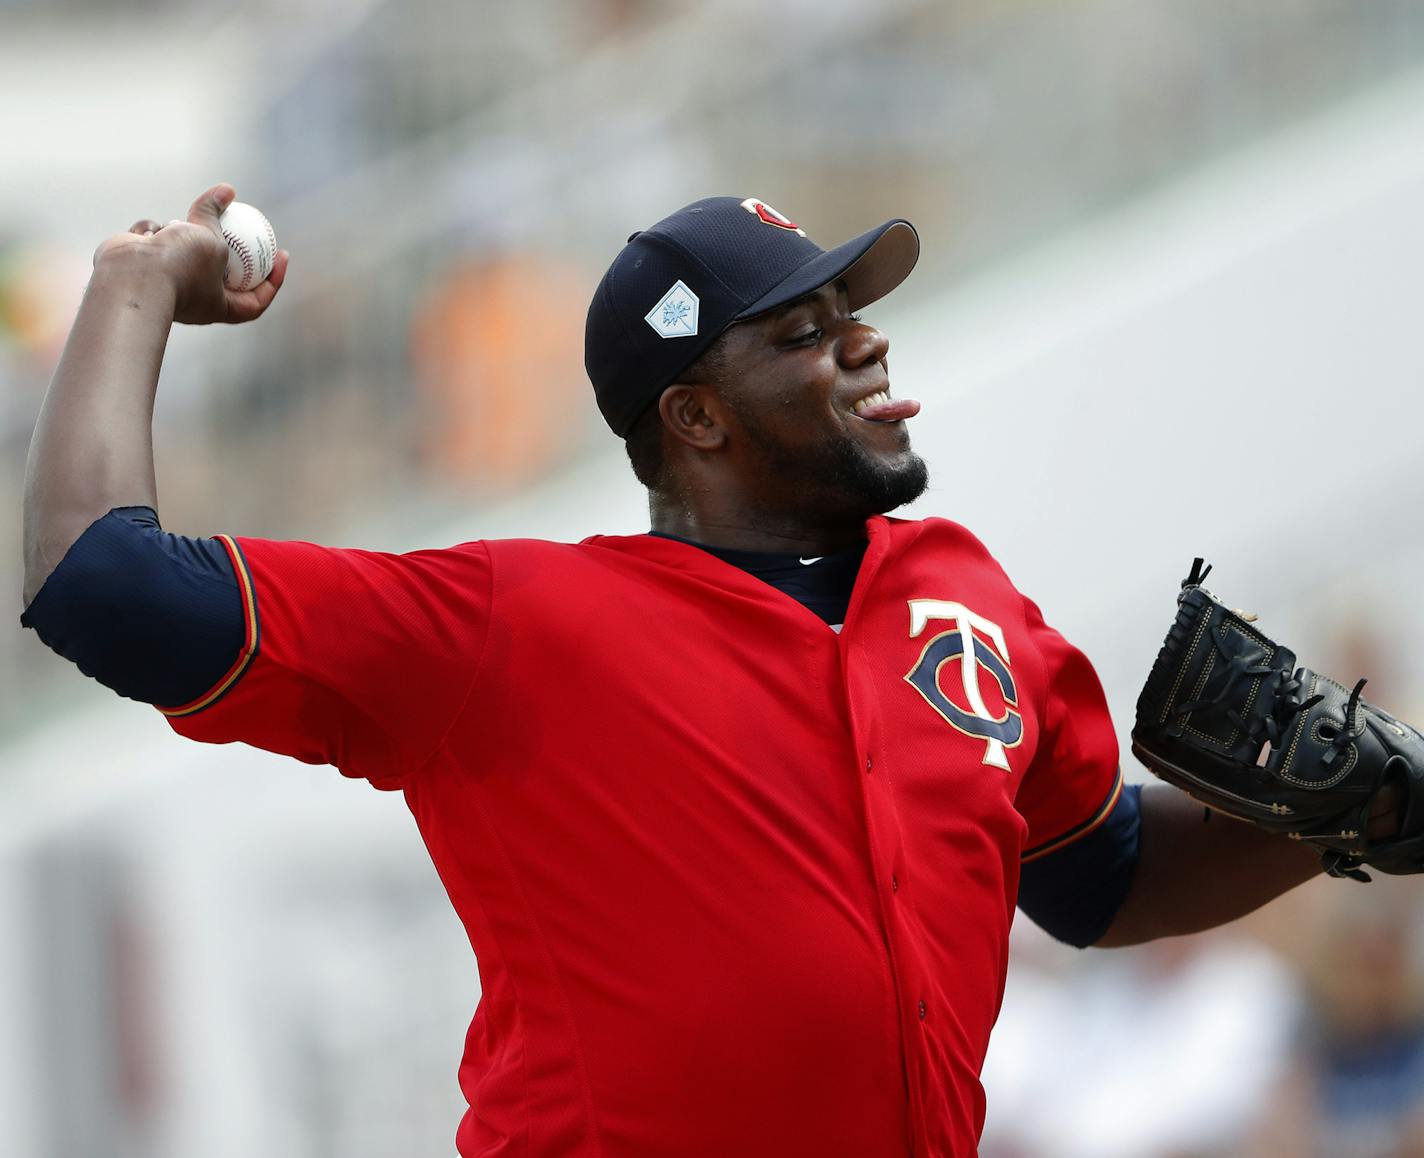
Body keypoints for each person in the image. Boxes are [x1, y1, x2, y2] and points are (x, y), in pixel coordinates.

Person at [21, 185, 1329, 1158]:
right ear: (695, 416)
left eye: (855, 315)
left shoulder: (964, 594)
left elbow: (1099, 876)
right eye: (804, 329)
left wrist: (1339, 820)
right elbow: (101, 581)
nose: (865, 344)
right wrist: (135, 285)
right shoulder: (512, 621)